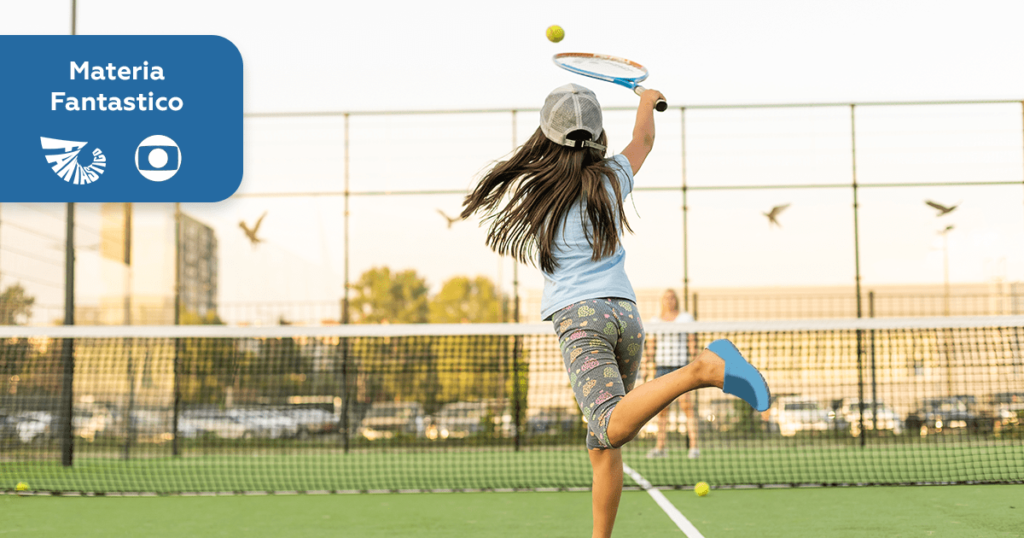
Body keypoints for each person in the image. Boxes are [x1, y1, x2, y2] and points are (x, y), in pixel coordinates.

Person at [461, 83, 770, 538]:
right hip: (625, 317)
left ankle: (702, 369)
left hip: (581, 321)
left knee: (610, 425)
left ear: (544, 136)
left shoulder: (537, 190)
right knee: (602, 442)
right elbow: (643, 140)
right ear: (598, 133)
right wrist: (647, 102)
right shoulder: (608, 179)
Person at [644, 289, 699, 459]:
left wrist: (695, 364)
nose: (669, 301)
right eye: (666, 298)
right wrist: (647, 365)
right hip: (662, 367)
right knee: (661, 410)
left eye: (672, 297)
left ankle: (694, 447)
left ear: (676, 300)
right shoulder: (655, 320)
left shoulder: (685, 318)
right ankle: (660, 448)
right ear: (662, 301)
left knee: (687, 407)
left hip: (681, 366)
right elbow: (651, 346)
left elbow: (692, 342)